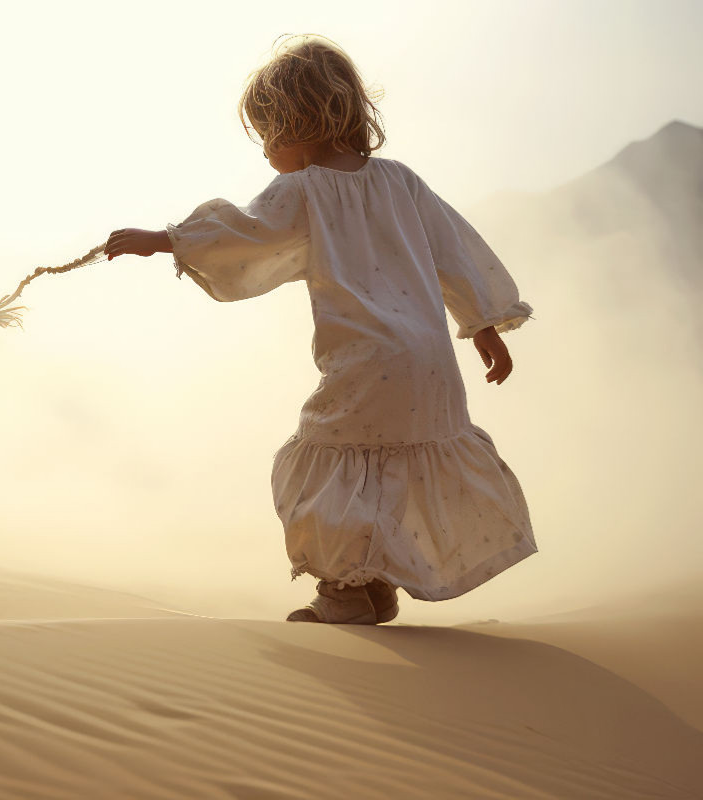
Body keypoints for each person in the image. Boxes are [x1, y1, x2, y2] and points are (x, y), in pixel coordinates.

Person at [103, 34, 535, 624]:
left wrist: (166, 240)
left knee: (326, 467)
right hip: (429, 362)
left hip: (367, 358)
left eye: (269, 135)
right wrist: (484, 324)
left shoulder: (302, 189)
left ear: (301, 123)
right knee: (390, 466)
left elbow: (246, 233)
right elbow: (452, 250)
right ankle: (373, 585)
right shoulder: (400, 181)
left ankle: (345, 593)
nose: (266, 152)